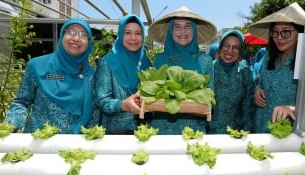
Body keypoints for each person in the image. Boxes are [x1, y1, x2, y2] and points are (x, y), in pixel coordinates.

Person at [2, 18, 97, 175]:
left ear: (89, 43)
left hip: (71, 154)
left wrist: (90, 147)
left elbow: (95, 115)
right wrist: (12, 124)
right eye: (71, 32)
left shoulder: (93, 76)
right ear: (62, 36)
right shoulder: (37, 66)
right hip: (37, 148)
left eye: (83, 35)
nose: (76, 38)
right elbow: (22, 101)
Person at [249, 2, 305, 134]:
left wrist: (292, 109)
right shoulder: (269, 57)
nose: (279, 37)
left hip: (286, 135)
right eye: (275, 32)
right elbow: (262, 83)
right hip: (259, 127)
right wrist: (257, 90)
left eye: (286, 32)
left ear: (300, 32)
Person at [147, 6, 217, 135]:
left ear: (194, 30)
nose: (182, 31)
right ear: (170, 31)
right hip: (162, 129)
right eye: (177, 26)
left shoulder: (205, 61)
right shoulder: (159, 58)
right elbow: (152, 94)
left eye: (187, 26)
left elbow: (209, 97)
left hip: (193, 130)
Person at [94, 14, 151, 135]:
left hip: (143, 131)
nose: (133, 38)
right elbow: (102, 100)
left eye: (138, 33)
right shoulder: (107, 62)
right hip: (116, 133)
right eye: (128, 33)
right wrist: (123, 105)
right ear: (120, 35)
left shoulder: (146, 63)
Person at [209, 29, 255, 134]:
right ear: (220, 47)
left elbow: (248, 106)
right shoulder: (209, 69)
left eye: (235, 48)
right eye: (226, 46)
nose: (230, 51)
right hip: (210, 133)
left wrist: (247, 132)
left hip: (235, 133)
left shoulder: (245, 72)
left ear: (240, 52)